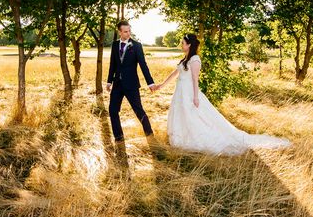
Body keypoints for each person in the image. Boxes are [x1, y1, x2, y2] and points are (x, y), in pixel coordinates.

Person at [154, 33, 291, 155]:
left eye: (182, 43)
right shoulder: (185, 59)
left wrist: (195, 97)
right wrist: (161, 85)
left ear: (189, 45)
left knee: (195, 117)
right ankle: (181, 137)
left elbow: (195, 80)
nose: (181, 45)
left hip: (189, 93)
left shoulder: (195, 60)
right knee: (182, 114)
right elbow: (175, 73)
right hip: (180, 93)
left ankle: (195, 138)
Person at [106, 20, 157, 142]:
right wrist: (109, 81)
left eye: (129, 31)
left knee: (138, 110)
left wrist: (150, 82)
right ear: (119, 32)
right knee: (113, 110)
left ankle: (150, 136)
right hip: (117, 84)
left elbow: (143, 65)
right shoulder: (114, 45)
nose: (128, 33)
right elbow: (112, 64)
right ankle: (119, 138)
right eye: (125, 31)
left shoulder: (137, 46)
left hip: (132, 85)